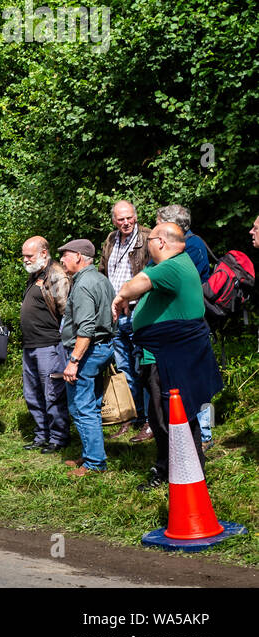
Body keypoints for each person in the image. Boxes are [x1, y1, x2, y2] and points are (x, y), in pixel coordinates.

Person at [116, 222, 223, 491]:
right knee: (159, 415)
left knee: (172, 416)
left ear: (161, 242)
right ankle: (170, 467)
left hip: (168, 356)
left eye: (149, 238)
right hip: (157, 355)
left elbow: (133, 286)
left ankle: (180, 471)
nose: (146, 242)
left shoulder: (174, 266)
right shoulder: (161, 264)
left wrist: (120, 296)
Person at [58, 239, 116, 477]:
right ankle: (91, 452)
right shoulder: (101, 279)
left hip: (88, 352)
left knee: (82, 408)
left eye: (65, 255)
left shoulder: (82, 285)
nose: (61, 259)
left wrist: (73, 361)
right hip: (103, 348)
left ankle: (94, 462)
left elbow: (86, 329)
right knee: (88, 405)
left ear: (79, 257)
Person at [157, 205, 213, 444]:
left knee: (196, 378)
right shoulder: (189, 244)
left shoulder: (189, 246)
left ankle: (204, 434)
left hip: (190, 323)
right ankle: (196, 431)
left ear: (174, 227)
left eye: (159, 223)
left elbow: (171, 279)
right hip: (185, 321)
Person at [99, 200, 151, 440]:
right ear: (114, 220)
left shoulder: (149, 238)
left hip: (139, 311)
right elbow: (103, 274)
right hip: (116, 314)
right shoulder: (110, 240)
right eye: (121, 219)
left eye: (129, 217)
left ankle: (150, 421)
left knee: (145, 369)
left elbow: (153, 275)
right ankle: (131, 416)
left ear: (136, 216)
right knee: (124, 368)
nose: (126, 222)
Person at [19, 236, 71, 452]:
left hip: (49, 346)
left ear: (43, 253)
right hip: (30, 345)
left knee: (52, 393)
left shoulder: (56, 275)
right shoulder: (35, 275)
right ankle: (42, 434)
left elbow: (67, 312)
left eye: (29, 255)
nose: (25, 259)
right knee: (32, 393)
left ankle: (59, 437)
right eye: (23, 256)